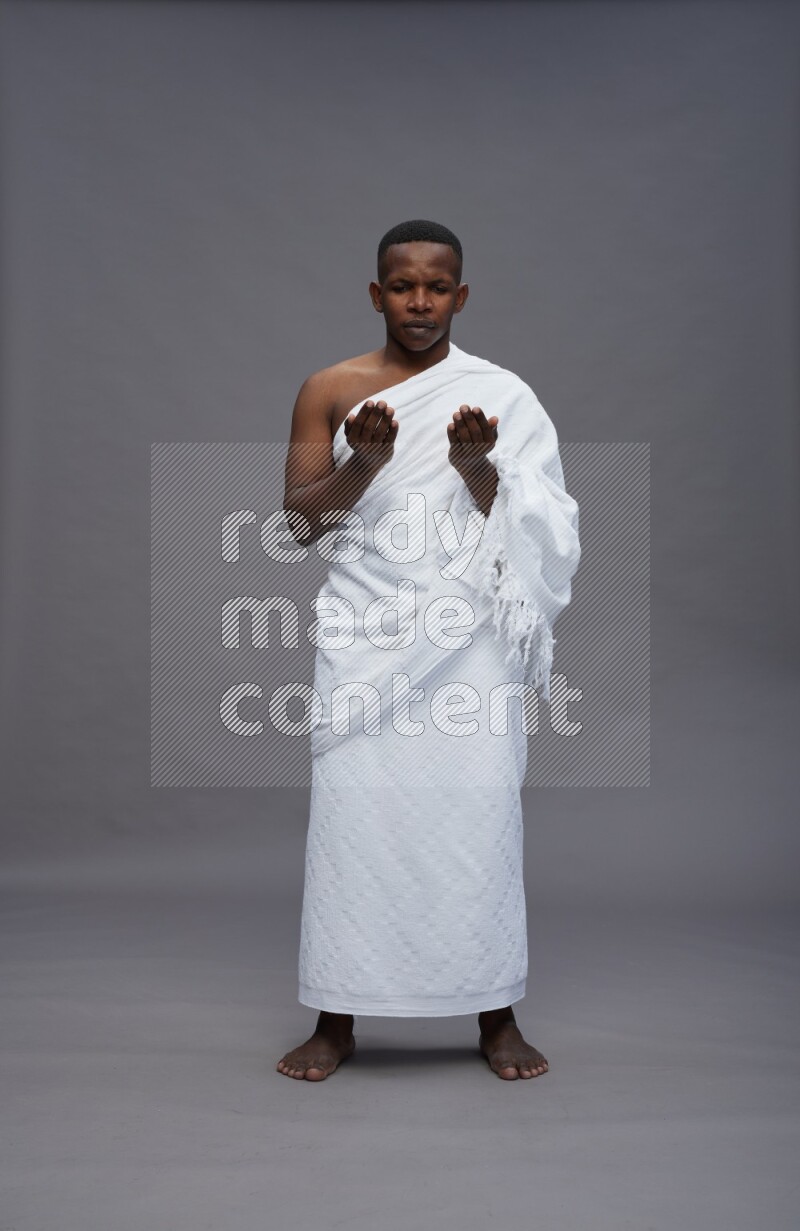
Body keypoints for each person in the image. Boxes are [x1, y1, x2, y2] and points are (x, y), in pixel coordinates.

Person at [276, 220, 581, 1081]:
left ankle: (495, 1013)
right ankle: (335, 1020)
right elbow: (301, 524)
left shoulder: (500, 395)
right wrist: (360, 466)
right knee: (354, 824)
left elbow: (538, 525)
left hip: (467, 646)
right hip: (365, 635)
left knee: (475, 819)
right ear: (376, 294)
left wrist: (480, 467)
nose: (419, 301)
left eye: (436, 286)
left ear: (461, 295)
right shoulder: (328, 389)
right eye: (402, 286)